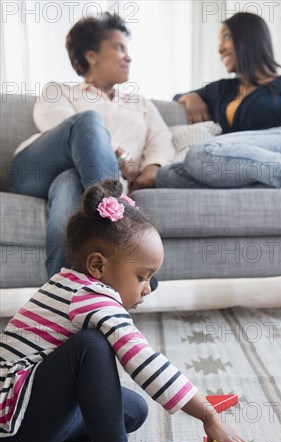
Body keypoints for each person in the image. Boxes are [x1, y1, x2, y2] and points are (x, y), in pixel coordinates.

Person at [0, 179, 246, 442]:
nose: (147, 288)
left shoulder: (70, 284)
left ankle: (81, 437)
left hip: (24, 412)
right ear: (98, 266)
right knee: (91, 347)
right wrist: (208, 414)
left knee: (132, 411)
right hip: (14, 422)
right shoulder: (91, 297)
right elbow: (143, 359)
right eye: (142, 277)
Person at [8, 12, 175, 278]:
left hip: (77, 181)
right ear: (91, 55)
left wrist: (153, 169)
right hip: (35, 170)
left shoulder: (141, 103)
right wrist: (120, 154)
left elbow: (162, 141)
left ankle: (61, 295)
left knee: (70, 183)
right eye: (119, 47)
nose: (128, 56)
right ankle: (121, 225)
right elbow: (57, 125)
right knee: (87, 121)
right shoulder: (60, 91)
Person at [153, 12, 281, 191]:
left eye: (226, 37)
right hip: (242, 160)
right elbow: (178, 96)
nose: (220, 49)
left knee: (200, 154)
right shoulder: (224, 88)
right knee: (167, 175)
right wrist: (192, 97)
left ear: (249, 39)